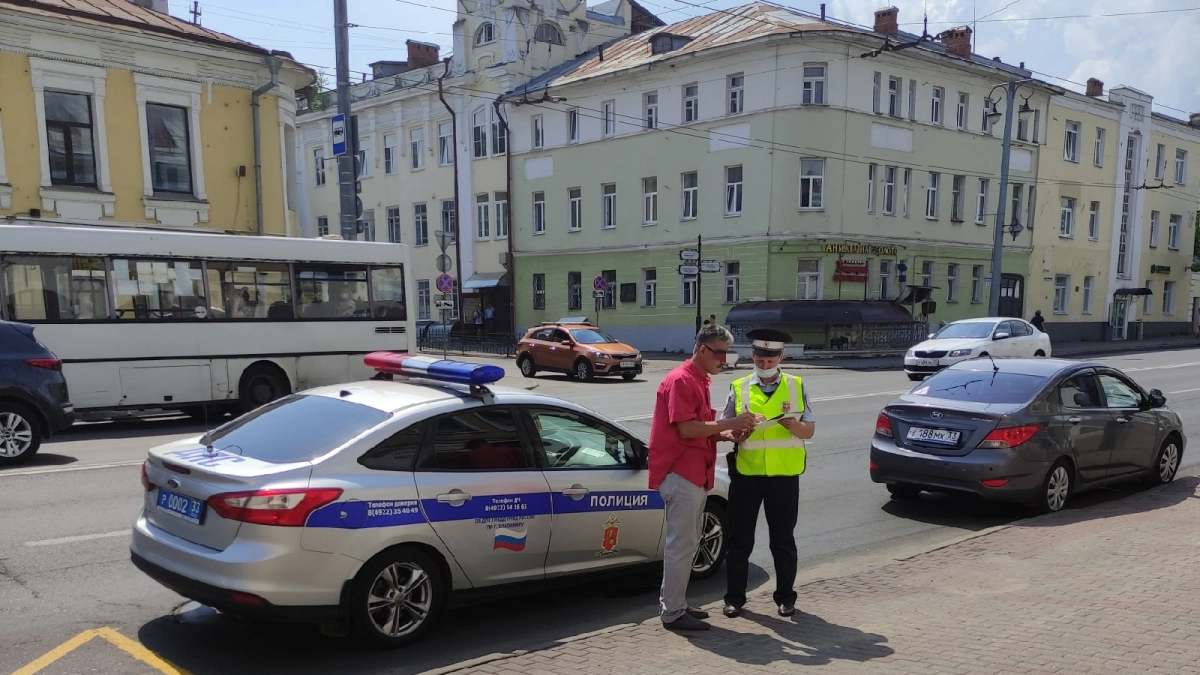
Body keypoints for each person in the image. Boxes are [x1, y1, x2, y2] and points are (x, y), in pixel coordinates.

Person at [649, 324, 760, 632]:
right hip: (681, 473)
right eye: (721, 353)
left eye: (727, 353)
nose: (724, 360)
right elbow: (686, 429)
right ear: (702, 350)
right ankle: (672, 612)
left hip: (693, 474)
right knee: (681, 546)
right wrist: (728, 423)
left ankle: (677, 604)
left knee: (687, 544)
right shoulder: (682, 380)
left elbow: (699, 428)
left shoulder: (698, 379)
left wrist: (728, 433)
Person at [721, 327, 815, 619]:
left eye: (770, 359)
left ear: (781, 356)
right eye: (760, 359)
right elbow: (724, 427)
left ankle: (786, 598)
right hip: (747, 474)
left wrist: (793, 426)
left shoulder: (797, 385)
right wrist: (735, 434)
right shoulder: (739, 387)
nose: (765, 365)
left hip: (784, 476)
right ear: (753, 355)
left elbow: (809, 429)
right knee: (739, 540)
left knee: (783, 540)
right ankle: (734, 599)